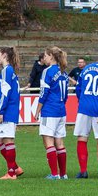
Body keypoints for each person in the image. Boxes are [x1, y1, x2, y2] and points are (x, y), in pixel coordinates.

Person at [73, 51, 98, 178]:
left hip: (84, 108)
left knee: (82, 138)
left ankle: (83, 171)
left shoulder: (86, 69)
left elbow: (78, 89)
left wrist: (83, 100)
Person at [37, 46, 70, 179]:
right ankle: (63, 174)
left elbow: (44, 93)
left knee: (48, 141)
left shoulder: (48, 71)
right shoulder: (64, 73)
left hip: (50, 110)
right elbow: (66, 94)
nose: (44, 58)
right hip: (61, 111)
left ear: (51, 56)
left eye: (45, 55)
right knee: (60, 143)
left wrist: (37, 109)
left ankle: (54, 174)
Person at [0, 47, 24, 179]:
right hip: (10, 109)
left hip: (8, 110)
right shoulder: (10, 71)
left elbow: (5, 93)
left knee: (7, 140)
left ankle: (11, 172)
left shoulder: (7, 71)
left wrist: (1, 111)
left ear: (4, 55)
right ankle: (15, 167)